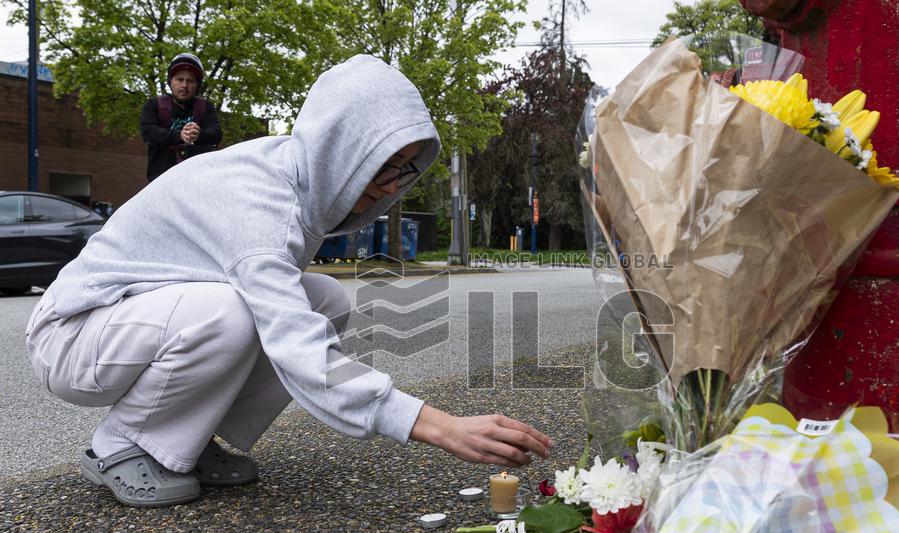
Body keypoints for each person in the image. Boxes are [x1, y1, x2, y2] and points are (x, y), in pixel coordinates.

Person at [25, 55, 552, 508]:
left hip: (127, 324)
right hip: (72, 337)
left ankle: (181, 437)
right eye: (381, 167)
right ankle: (120, 445)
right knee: (232, 314)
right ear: (339, 151)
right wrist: (440, 425)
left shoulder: (293, 183)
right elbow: (295, 344)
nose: (390, 187)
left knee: (321, 297)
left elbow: (297, 319)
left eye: (403, 171)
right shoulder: (258, 202)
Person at [139, 53, 223, 182]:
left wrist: (198, 135)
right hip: (161, 179)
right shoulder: (154, 105)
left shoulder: (206, 107)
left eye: (190, 81)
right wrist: (180, 136)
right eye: (179, 79)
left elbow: (216, 134)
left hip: (198, 178)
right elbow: (147, 131)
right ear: (170, 82)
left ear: (197, 85)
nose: (184, 85)